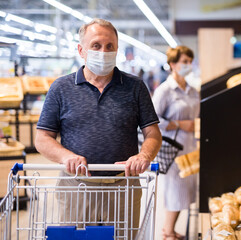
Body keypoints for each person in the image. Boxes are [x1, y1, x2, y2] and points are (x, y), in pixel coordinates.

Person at [35, 18, 162, 237]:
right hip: (77, 186)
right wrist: (66, 157)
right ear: (81, 50)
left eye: (109, 46)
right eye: (96, 45)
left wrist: (144, 156)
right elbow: (42, 137)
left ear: (117, 49)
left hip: (123, 186)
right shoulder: (61, 88)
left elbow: (153, 133)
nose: (103, 51)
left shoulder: (135, 87)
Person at [152, 46, 200, 240]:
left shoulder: (192, 90)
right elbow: (152, 119)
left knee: (186, 192)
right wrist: (179, 123)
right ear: (172, 64)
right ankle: (167, 232)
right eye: (184, 62)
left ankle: (169, 230)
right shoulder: (165, 91)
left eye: (190, 62)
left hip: (190, 147)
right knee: (175, 191)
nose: (188, 65)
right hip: (172, 149)